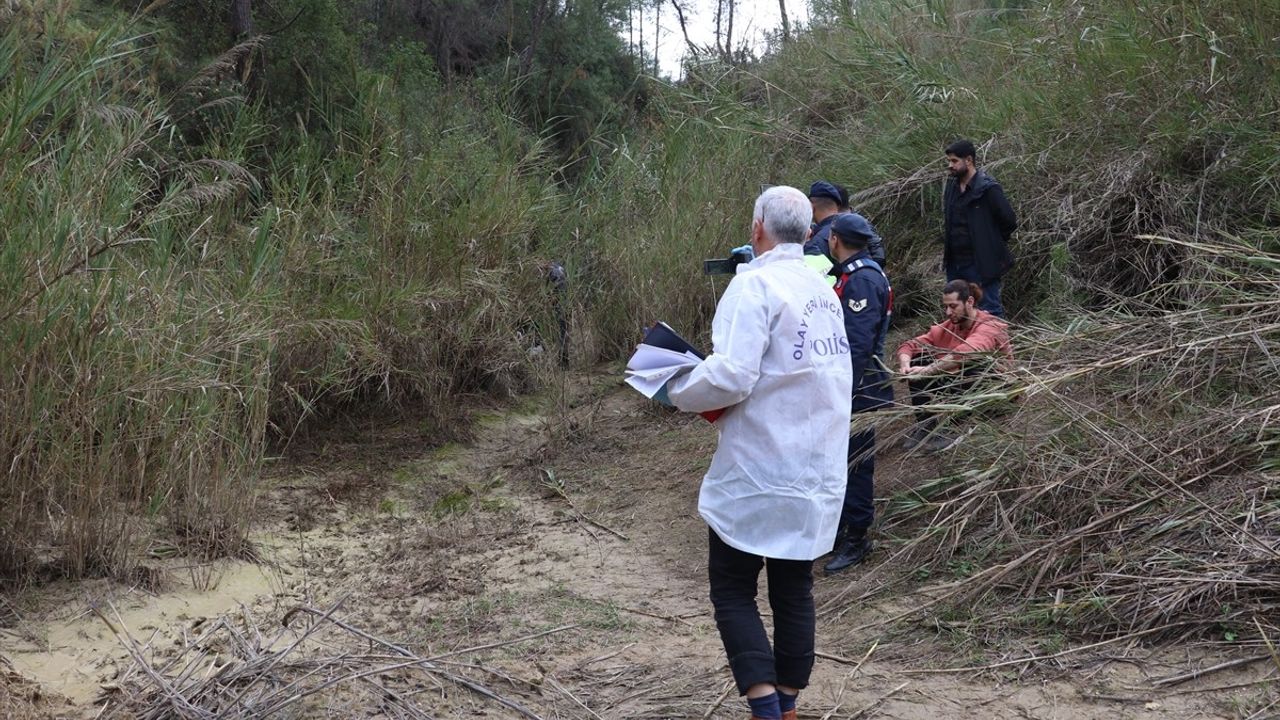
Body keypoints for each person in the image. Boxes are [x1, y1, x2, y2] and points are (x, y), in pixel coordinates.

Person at [666, 186, 853, 720]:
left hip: (760, 466)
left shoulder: (755, 285)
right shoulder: (822, 291)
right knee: (793, 589)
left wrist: (677, 387)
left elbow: (732, 374)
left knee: (732, 590)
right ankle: (788, 704)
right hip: (814, 465)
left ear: (756, 230)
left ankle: (767, 708)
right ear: (810, 232)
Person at [823, 213, 893, 574]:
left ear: (835, 239)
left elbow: (857, 344)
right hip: (855, 385)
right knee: (838, 462)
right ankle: (837, 531)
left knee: (856, 464)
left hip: (862, 388)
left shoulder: (862, 280)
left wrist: (841, 391)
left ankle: (857, 538)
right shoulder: (853, 274)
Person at [896, 279, 1013, 452]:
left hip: (995, 392)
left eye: (953, 306)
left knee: (974, 364)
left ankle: (958, 427)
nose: (948, 312)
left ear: (970, 302)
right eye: (946, 306)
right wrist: (906, 365)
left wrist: (928, 370)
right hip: (962, 387)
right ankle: (926, 424)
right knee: (918, 360)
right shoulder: (949, 327)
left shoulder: (989, 325)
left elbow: (966, 352)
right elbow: (910, 345)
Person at [941, 139, 1017, 317]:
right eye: (949, 161)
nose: (950, 165)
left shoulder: (988, 189)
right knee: (958, 310)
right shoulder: (952, 187)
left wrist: (991, 243)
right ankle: (969, 345)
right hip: (955, 262)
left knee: (989, 310)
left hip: (981, 262)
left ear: (968, 160)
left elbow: (1009, 221)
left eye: (954, 161)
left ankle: (996, 344)